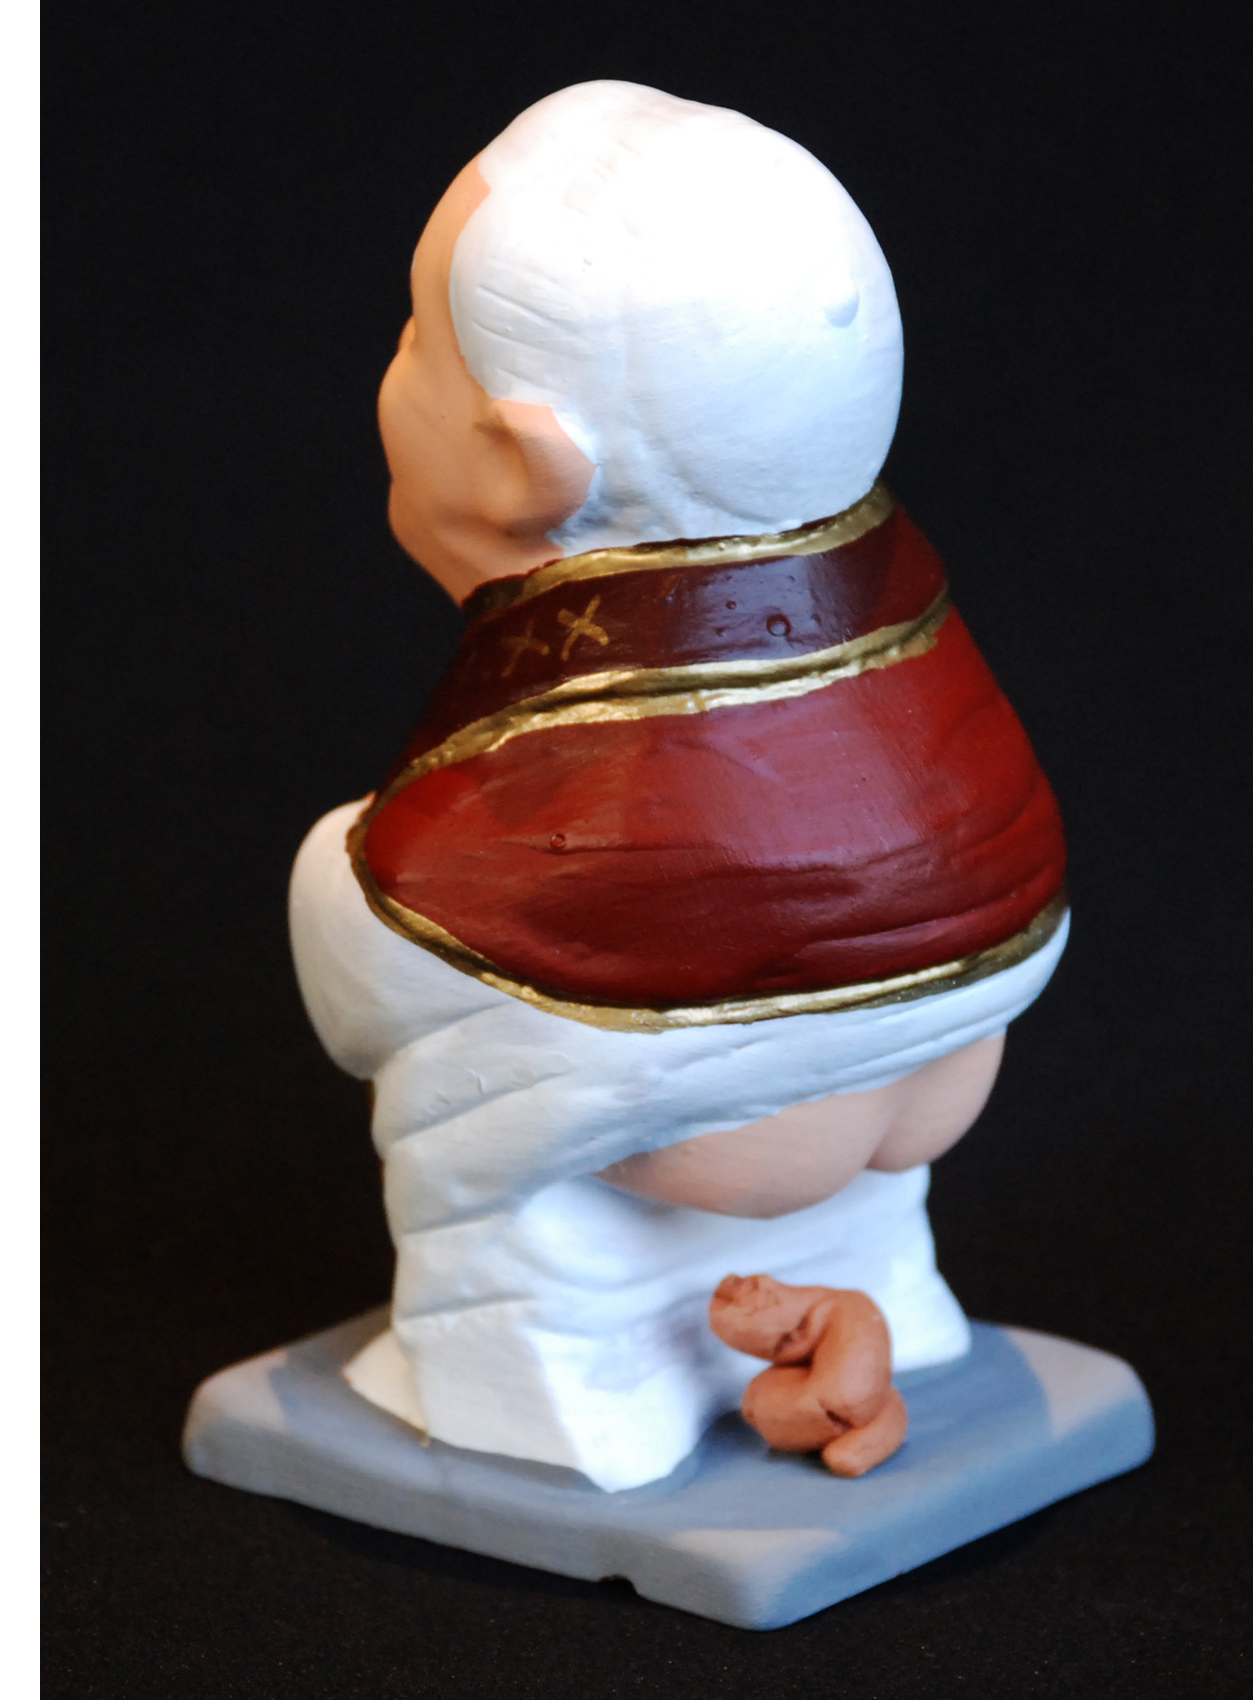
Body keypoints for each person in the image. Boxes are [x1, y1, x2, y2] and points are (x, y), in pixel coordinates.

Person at [289, 82, 1068, 1491]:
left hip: (693, 1099)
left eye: (416, 345)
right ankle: (889, 1300)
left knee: (345, 888)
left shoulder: (551, 776)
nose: (389, 375)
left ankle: (525, 1361)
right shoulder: (899, 594)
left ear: (523, 464)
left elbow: (401, 973)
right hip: (964, 1017)